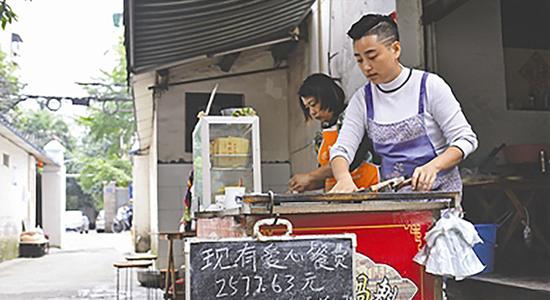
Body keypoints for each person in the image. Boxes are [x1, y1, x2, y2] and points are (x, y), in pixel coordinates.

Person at [329, 14, 478, 195]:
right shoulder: (362, 100)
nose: (366, 67)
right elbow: (342, 148)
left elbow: (466, 139)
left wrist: (434, 167)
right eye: (359, 60)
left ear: (396, 49)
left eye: (372, 56)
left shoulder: (430, 86)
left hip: (441, 199)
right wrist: (344, 177)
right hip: (393, 202)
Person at [288, 73, 379, 192]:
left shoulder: (352, 118)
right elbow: (327, 176)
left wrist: (310, 177)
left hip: (367, 191)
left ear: (327, 96)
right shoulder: (320, 137)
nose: (312, 112)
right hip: (338, 197)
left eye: (313, 104)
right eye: (307, 108)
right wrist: (306, 184)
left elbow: (349, 162)